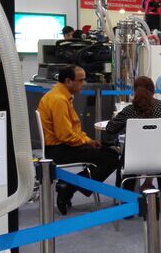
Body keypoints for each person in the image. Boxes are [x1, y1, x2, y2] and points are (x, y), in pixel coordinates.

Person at [37, 65, 120, 215]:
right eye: (81, 80)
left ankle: (69, 186)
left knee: (110, 154)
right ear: (68, 81)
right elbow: (65, 135)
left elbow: (73, 130)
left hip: (62, 146)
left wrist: (88, 140)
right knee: (111, 159)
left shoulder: (60, 96)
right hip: (59, 150)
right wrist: (87, 142)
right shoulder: (59, 100)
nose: (84, 83)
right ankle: (69, 187)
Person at [105, 76, 161, 200]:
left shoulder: (129, 110)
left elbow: (110, 128)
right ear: (152, 90)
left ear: (135, 91)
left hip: (134, 161)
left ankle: (124, 198)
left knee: (123, 162)